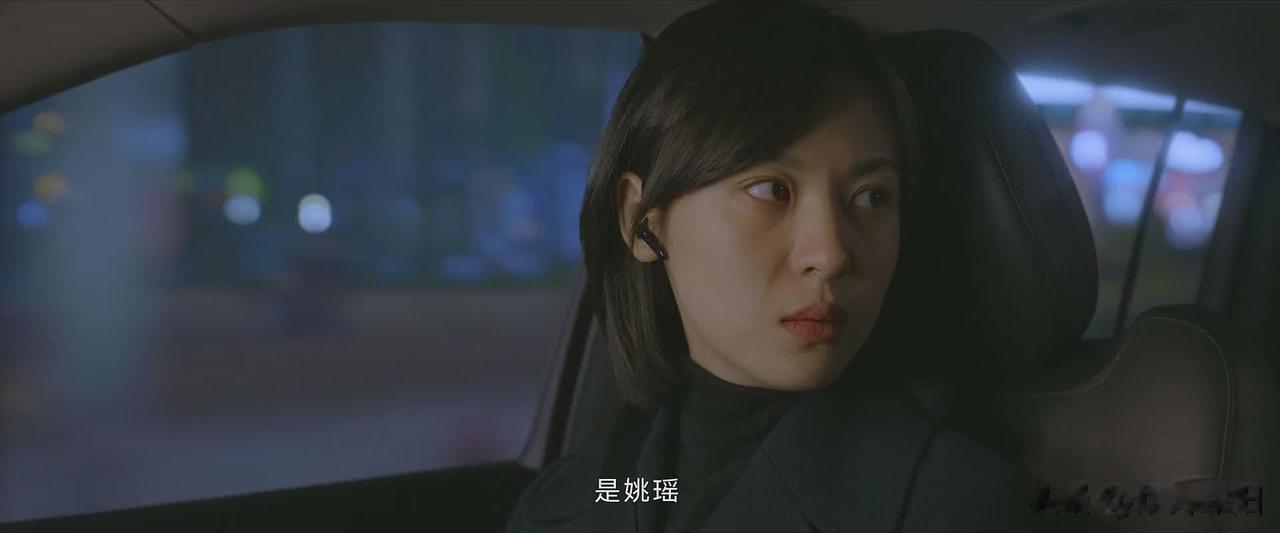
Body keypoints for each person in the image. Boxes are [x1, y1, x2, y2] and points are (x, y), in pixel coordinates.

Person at [507, 1, 1100, 532]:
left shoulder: (970, 511)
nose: (831, 254)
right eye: (771, 189)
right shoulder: (595, 494)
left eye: (871, 197)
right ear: (641, 219)